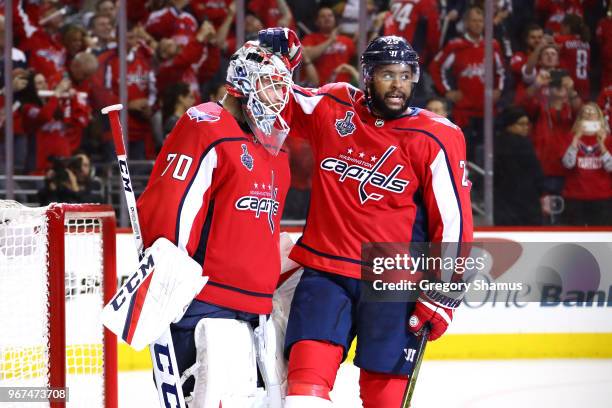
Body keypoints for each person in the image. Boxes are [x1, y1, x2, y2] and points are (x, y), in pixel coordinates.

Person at [259, 30, 473, 407]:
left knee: (383, 399)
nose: (398, 85)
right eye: (388, 74)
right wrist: (273, 59)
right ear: (367, 75)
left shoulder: (437, 136)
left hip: (393, 281)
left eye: (406, 76)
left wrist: (442, 290)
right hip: (326, 272)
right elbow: (275, 95)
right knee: (304, 389)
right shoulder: (333, 105)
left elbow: (452, 221)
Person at [135, 36, 297, 406]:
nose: (279, 98)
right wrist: (167, 286)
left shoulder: (272, 147)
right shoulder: (205, 125)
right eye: (270, 85)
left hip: (257, 308)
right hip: (204, 303)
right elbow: (172, 211)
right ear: (242, 81)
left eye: (282, 88)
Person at [494, 106, 547, 226]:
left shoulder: (497, 143)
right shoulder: (524, 144)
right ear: (509, 125)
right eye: (521, 124)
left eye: (527, 124)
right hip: (525, 201)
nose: (526, 128)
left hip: (505, 202)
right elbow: (536, 171)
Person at [561, 102, 612, 225]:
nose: (589, 115)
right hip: (575, 196)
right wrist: (576, 139)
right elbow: (568, 164)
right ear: (579, 119)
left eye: (592, 113)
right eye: (585, 113)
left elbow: (610, 167)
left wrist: (602, 144)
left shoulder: (609, 140)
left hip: (602, 196)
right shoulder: (570, 138)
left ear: (599, 118)